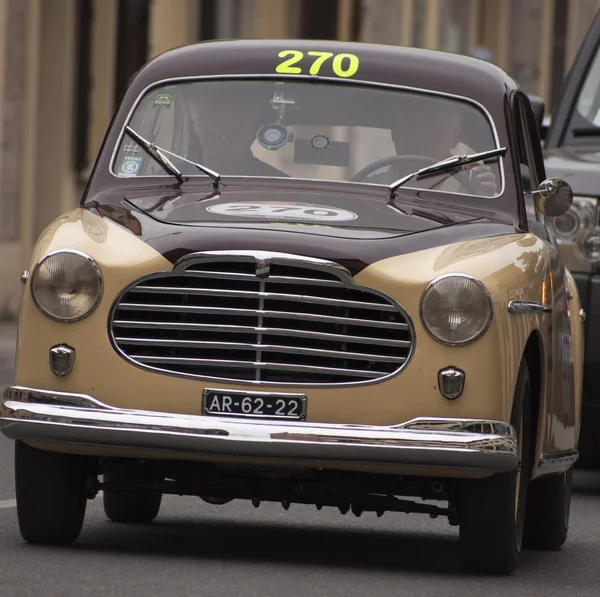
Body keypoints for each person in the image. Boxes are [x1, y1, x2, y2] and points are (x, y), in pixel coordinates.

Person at [366, 94, 499, 196]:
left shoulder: (470, 190)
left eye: (430, 126)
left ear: (455, 136)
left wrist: (478, 197)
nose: (417, 133)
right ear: (394, 133)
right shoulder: (372, 188)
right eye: (407, 124)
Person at [185, 83, 287, 178]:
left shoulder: (279, 187)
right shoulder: (173, 177)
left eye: (232, 138)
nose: (221, 148)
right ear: (195, 127)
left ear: (253, 132)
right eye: (211, 138)